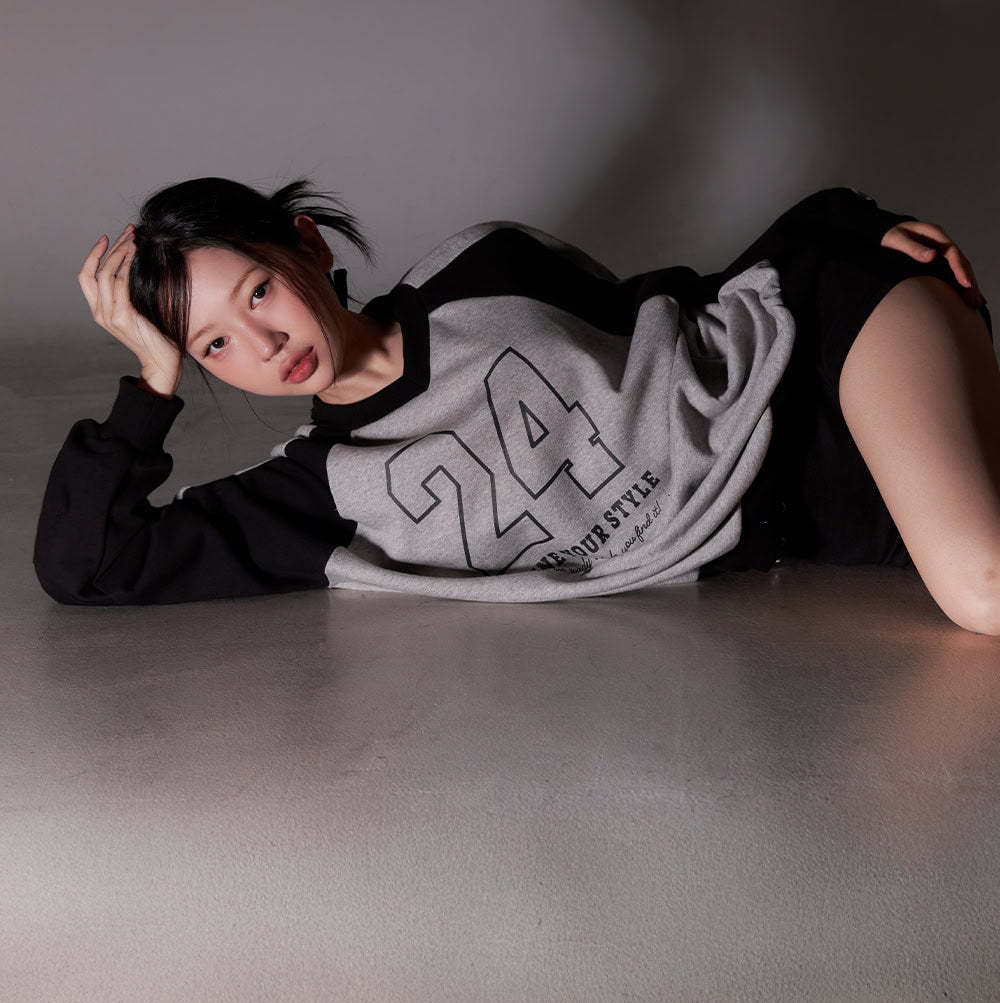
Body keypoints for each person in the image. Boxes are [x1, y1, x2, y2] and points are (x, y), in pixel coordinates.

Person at [32, 178, 999, 635]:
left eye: (257, 293)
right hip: (822, 521)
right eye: (212, 346)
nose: (263, 345)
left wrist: (845, 224)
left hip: (827, 355)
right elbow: (89, 567)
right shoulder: (320, 495)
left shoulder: (481, 265)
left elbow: (686, 307)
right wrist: (149, 383)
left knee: (983, 592)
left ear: (307, 247)